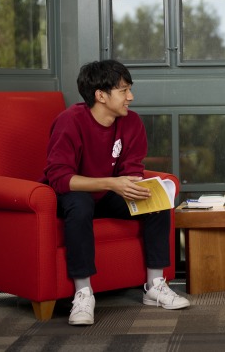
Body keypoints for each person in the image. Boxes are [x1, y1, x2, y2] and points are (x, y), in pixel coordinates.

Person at [42, 59, 190, 326]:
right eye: (123, 91)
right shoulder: (69, 122)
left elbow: (132, 170)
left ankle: (154, 285)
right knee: (80, 204)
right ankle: (83, 293)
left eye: (129, 89)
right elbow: (60, 179)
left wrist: (137, 186)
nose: (130, 97)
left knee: (155, 201)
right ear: (100, 95)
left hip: (109, 193)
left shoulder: (132, 123)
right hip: (72, 194)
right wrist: (112, 183)